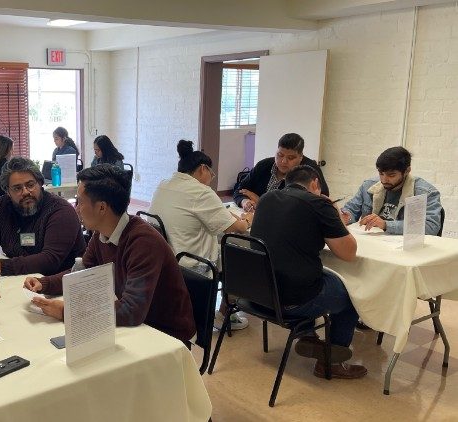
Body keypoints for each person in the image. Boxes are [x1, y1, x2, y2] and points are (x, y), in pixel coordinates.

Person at [24, 165, 196, 343]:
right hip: (139, 326)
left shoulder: (143, 242)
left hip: (165, 335)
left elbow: (131, 311)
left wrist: (66, 312)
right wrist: (43, 284)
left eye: (80, 201)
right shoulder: (102, 233)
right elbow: (81, 272)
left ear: (101, 208)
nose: (76, 208)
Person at [251, 165, 366, 379]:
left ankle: (308, 335)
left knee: (319, 275)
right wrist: (337, 218)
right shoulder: (320, 204)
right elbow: (349, 253)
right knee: (353, 293)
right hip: (291, 300)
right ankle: (331, 361)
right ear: (314, 183)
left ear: (287, 181)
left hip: (258, 294)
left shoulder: (266, 198)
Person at [149, 140, 252, 330]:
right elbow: (238, 228)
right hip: (193, 265)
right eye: (211, 174)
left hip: (167, 258)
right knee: (239, 256)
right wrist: (248, 219)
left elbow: (205, 213)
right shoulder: (201, 192)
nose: (211, 179)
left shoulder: (164, 184)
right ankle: (225, 316)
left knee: (224, 246)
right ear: (203, 168)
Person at [0, 157, 86, 276]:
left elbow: (50, 260)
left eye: (30, 185)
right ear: (7, 192)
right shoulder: (2, 205)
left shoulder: (61, 211)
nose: (25, 192)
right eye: (17, 188)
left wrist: (0, 266)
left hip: (57, 285)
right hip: (19, 280)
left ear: (40, 183)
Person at [341, 146, 442, 235]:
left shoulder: (425, 193)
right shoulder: (369, 185)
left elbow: (430, 227)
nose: (384, 180)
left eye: (391, 175)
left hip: (403, 249)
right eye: (381, 173)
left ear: (407, 171)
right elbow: (351, 210)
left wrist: (386, 225)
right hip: (372, 243)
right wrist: (346, 217)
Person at [233, 133, 329, 211]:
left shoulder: (308, 172)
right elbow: (240, 189)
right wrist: (244, 201)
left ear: (300, 157)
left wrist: (259, 200)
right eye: (280, 155)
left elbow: (319, 202)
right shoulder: (264, 165)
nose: (283, 161)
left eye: (290, 158)